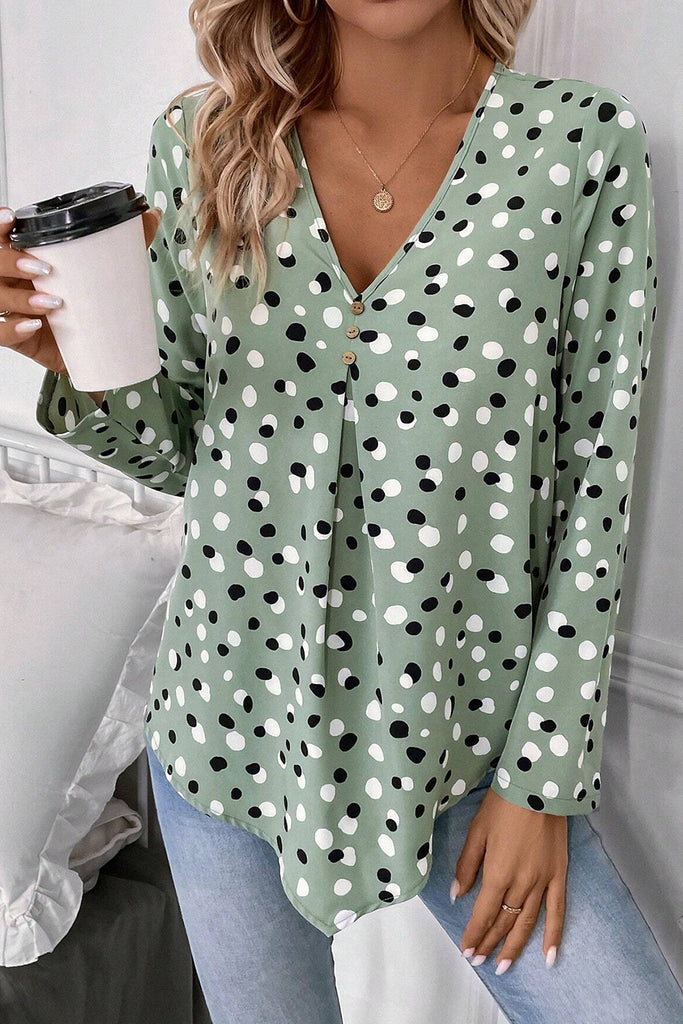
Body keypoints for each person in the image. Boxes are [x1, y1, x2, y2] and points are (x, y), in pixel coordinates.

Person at [2, 1, 681, 1021]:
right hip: (231, 731)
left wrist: (539, 782)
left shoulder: (579, 150)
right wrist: (75, 364)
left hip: (462, 742)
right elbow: (177, 455)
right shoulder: (204, 142)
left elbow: (595, 486)